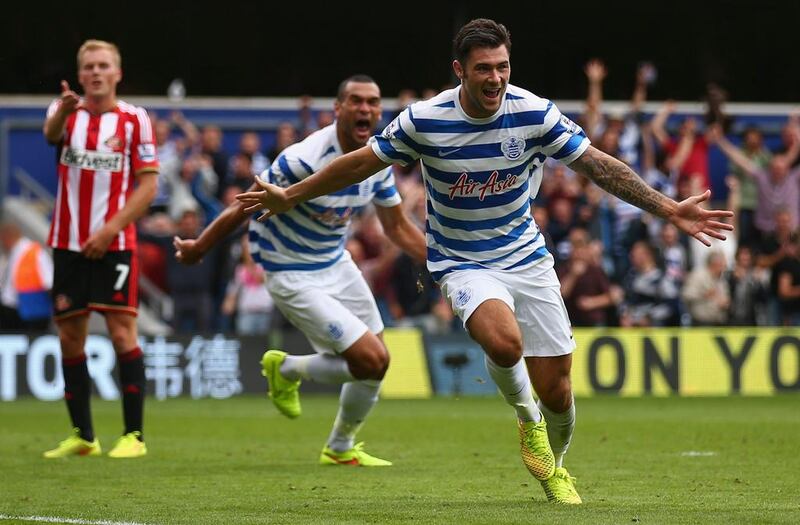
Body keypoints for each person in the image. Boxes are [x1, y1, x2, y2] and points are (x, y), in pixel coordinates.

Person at [236, 19, 734, 504]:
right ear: (460, 70)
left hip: (526, 256)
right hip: (461, 261)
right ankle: (527, 421)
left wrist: (669, 208)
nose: (495, 78)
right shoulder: (425, 120)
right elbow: (361, 162)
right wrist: (291, 195)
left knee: (558, 390)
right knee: (503, 340)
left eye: (503, 67)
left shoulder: (534, 112)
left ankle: (555, 464)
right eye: (484, 69)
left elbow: (597, 164)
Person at [174, 74, 427, 466]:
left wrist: (443, 262)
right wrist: (200, 246)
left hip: (335, 262)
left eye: (373, 102)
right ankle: (289, 369)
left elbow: (396, 226)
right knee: (372, 360)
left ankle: (339, 445)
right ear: (337, 109)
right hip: (289, 270)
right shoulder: (302, 160)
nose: (365, 109)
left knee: (376, 362)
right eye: (356, 101)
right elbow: (244, 205)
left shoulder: (378, 160)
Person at [41, 39, 158, 459]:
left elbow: (149, 185)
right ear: (80, 72)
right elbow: (49, 134)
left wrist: (110, 230)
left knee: (121, 332)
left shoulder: (134, 120)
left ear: (117, 73)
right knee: (70, 335)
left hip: (116, 244)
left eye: (103, 65)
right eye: (88, 65)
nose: (95, 72)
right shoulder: (65, 113)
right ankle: (83, 436)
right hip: (67, 242)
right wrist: (64, 111)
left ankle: (134, 436)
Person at [0, 220, 53, 331]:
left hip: (33, 309)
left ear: (7, 236)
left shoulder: (34, 252)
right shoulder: (10, 254)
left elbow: (49, 282)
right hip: (12, 309)